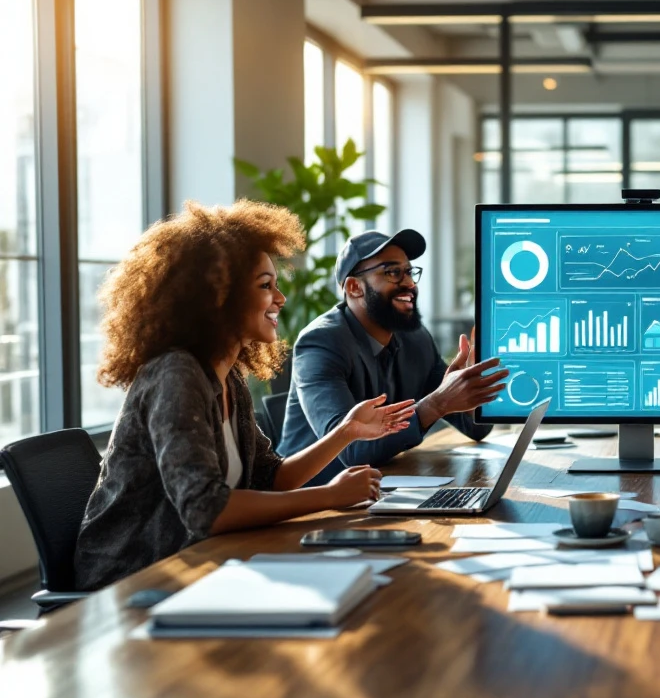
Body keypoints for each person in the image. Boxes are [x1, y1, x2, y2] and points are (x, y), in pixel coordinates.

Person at [75, 201, 415, 591]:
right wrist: (328, 496)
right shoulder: (176, 375)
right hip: (131, 580)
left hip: (199, 564)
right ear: (217, 296)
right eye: (265, 286)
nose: (280, 298)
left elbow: (270, 478)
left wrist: (346, 432)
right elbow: (206, 509)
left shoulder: (226, 376)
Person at [277, 229, 507, 483]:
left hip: (387, 488)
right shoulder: (321, 343)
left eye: (409, 272)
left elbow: (477, 429)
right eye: (392, 272)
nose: (409, 283)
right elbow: (351, 451)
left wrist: (471, 393)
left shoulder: (415, 338)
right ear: (354, 288)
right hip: (315, 505)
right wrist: (436, 404)